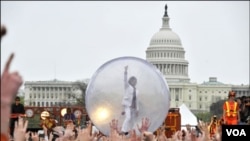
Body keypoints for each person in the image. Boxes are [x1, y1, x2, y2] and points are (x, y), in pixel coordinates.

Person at [1, 25, 23, 141]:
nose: (18, 101)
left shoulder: (20, 106)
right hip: (10, 122)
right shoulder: (13, 105)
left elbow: (22, 114)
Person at [121, 65, 139, 134]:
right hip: (127, 105)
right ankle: (123, 130)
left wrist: (137, 110)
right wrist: (125, 71)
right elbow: (125, 80)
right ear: (130, 81)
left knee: (133, 120)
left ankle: (130, 131)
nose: (134, 82)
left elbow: (136, 100)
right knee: (128, 117)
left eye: (135, 81)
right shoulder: (127, 87)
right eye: (133, 80)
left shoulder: (137, 90)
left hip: (134, 107)